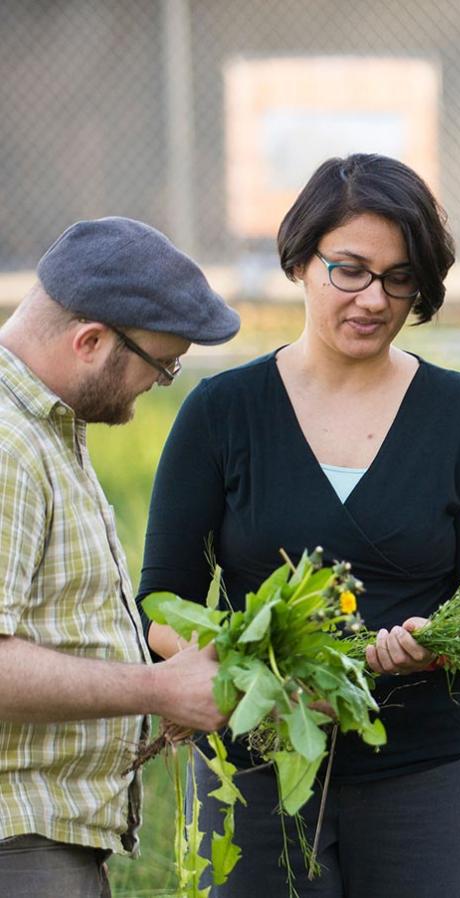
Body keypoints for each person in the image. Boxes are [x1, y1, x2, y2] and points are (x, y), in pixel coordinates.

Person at [140, 154, 460, 897]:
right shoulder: (222, 414)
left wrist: (432, 645)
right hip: (256, 766)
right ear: (299, 261)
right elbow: (161, 602)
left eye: (400, 277)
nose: (374, 298)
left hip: (423, 772)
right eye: (349, 269)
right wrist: (259, 679)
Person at [0, 216, 239, 896]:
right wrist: (159, 688)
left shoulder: (45, 432)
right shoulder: (8, 446)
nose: (160, 382)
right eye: (160, 364)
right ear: (90, 341)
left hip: (46, 837)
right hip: (17, 844)